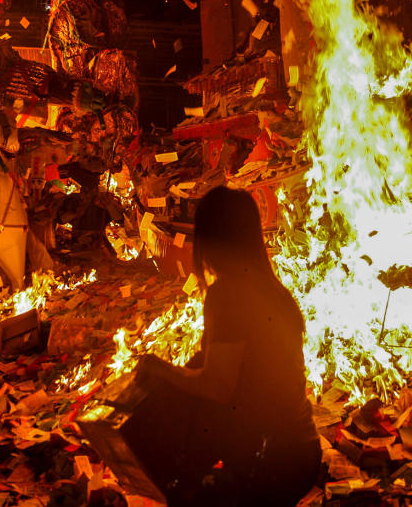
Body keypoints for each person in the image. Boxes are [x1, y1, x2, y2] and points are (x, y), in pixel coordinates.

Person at [128, 186, 321, 506]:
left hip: (270, 458)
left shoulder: (228, 294)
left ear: (209, 240)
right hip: (301, 449)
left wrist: (158, 368)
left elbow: (218, 386)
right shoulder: (274, 291)